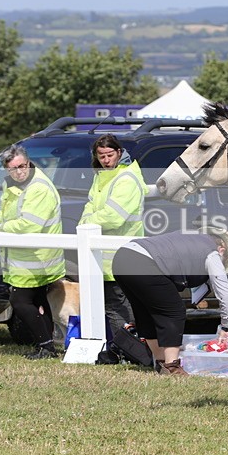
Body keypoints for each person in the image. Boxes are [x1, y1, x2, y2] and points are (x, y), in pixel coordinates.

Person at [112, 228, 228, 375]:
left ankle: (160, 363)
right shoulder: (212, 253)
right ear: (222, 249)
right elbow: (226, 293)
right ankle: (172, 366)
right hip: (144, 262)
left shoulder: (188, 238)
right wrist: (226, 327)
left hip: (122, 257)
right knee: (174, 311)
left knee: (146, 312)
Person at [0, 145, 66, 359]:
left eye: (22, 166)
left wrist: (0, 229)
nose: (19, 171)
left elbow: (30, 225)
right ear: (6, 169)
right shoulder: (10, 184)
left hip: (37, 257)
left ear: (29, 162)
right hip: (21, 257)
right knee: (37, 301)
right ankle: (47, 346)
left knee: (20, 302)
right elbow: (2, 213)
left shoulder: (38, 187)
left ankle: (45, 345)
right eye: (13, 168)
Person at [80, 134, 148, 336]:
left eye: (110, 155)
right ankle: (118, 346)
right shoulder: (101, 176)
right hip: (103, 257)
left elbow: (113, 217)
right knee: (111, 306)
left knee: (119, 307)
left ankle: (129, 348)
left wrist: (86, 222)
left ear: (119, 153)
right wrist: (87, 219)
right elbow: (89, 206)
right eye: (101, 156)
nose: (106, 160)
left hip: (121, 255)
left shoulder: (126, 178)